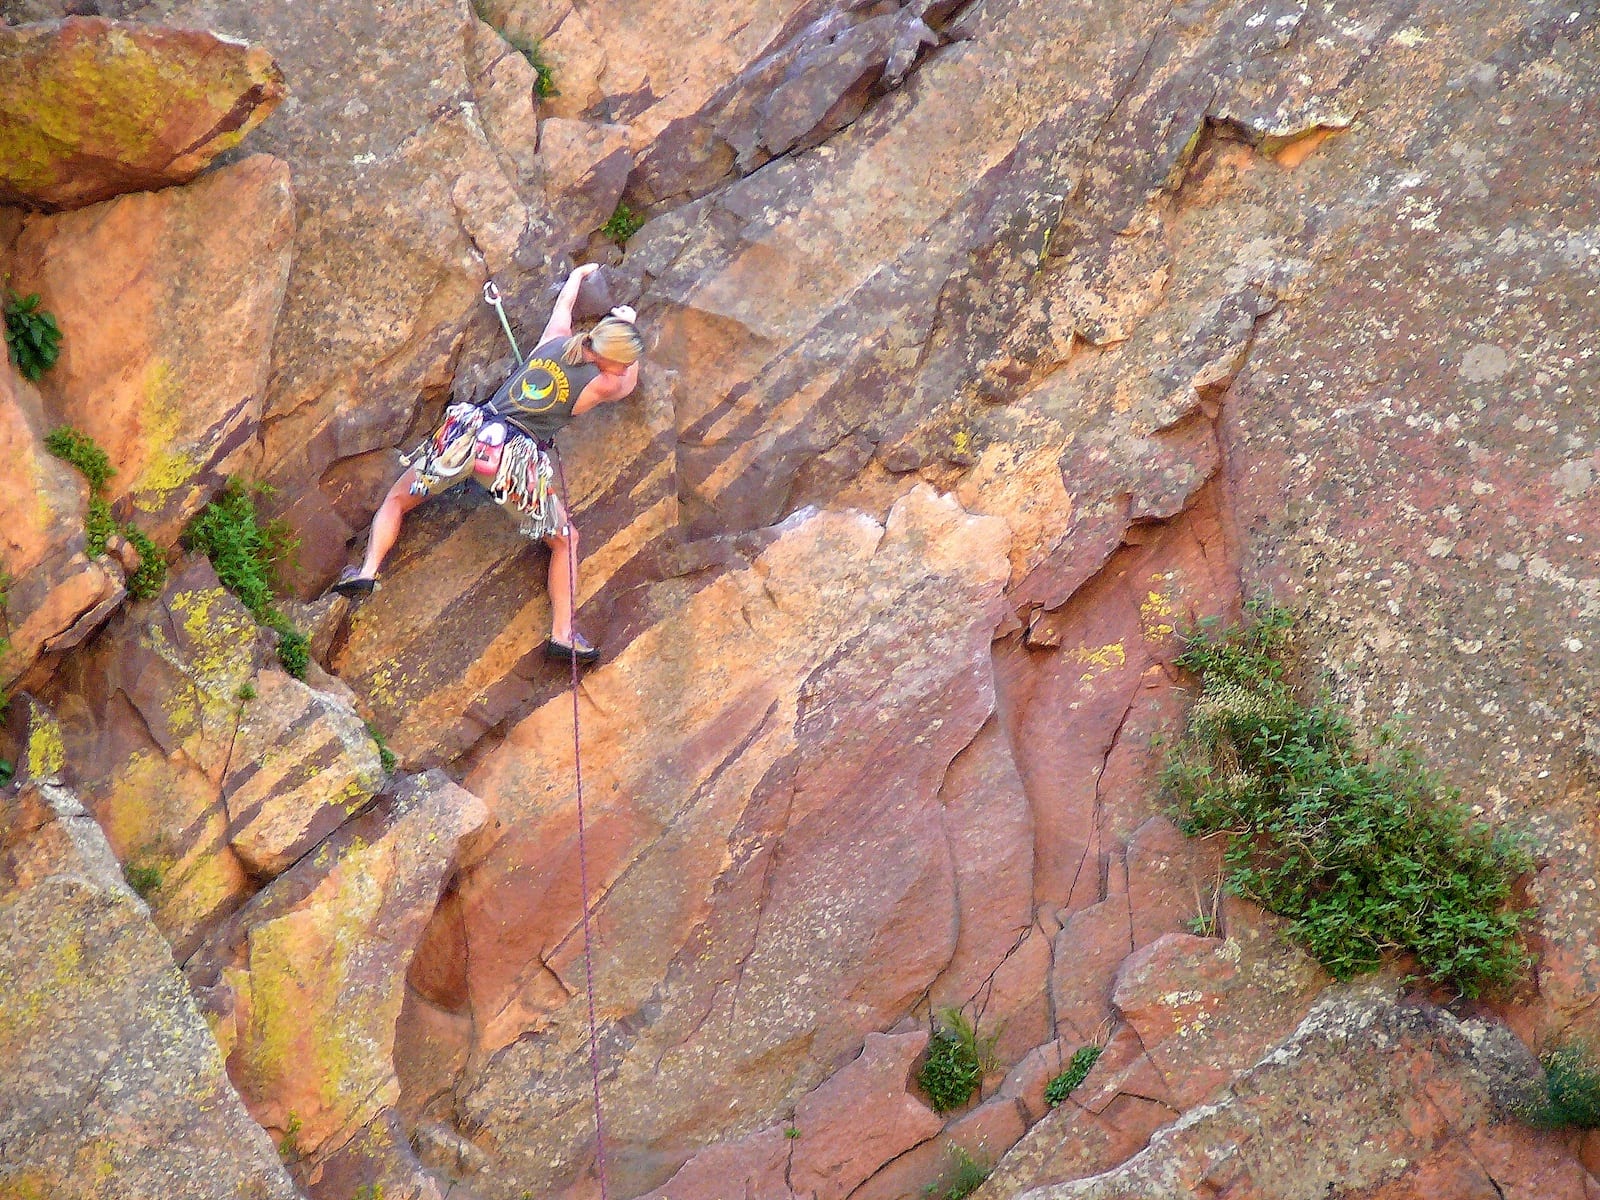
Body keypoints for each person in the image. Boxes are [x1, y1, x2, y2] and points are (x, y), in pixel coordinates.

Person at [330, 263, 643, 664]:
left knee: (398, 498)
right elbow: (627, 381)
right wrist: (627, 323)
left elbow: (564, 306)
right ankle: (563, 634)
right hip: (513, 461)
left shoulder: (552, 341)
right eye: (621, 359)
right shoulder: (603, 383)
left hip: (469, 435)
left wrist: (579, 277)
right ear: (613, 360)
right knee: (566, 541)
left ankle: (367, 571)